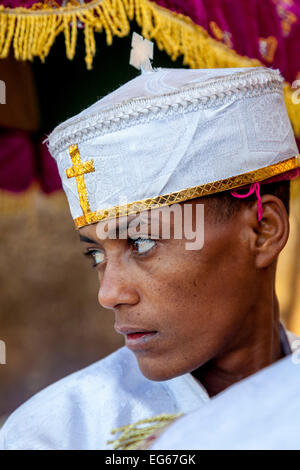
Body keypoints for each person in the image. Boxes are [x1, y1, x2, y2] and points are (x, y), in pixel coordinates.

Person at [0, 60, 299, 450]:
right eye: (96, 255)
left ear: (262, 231)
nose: (108, 295)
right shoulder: (59, 432)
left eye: (141, 242)